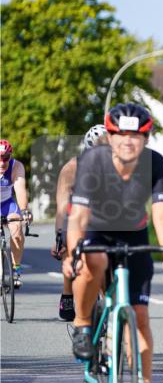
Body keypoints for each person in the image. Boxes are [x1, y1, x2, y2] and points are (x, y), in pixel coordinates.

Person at [64, 104, 163, 383]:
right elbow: (78, 216)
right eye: (121, 135)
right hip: (97, 231)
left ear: (146, 138)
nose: (128, 141)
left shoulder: (155, 163)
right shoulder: (92, 161)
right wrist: (73, 253)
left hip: (134, 235)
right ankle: (82, 323)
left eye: (136, 135)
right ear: (110, 136)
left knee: (140, 316)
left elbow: (161, 212)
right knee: (95, 261)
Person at [51, 124, 108, 320]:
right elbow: (61, 206)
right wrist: (59, 236)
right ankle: (68, 294)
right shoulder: (71, 169)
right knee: (70, 246)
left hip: (102, 215)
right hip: (74, 213)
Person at [0, 139, 33, 288]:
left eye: (5, 158)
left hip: (7, 203)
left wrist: (25, 211)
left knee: (18, 231)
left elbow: (20, 190)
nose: (2, 163)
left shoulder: (16, 166)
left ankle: (16, 270)